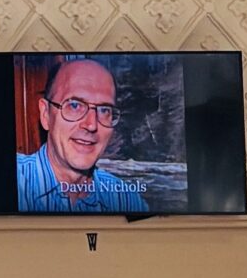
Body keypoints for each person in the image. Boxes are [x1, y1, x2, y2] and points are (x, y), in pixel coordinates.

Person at [14, 55, 147, 214]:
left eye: (104, 110)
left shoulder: (126, 200)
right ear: (45, 114)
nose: (91, 125)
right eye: (75, 105)